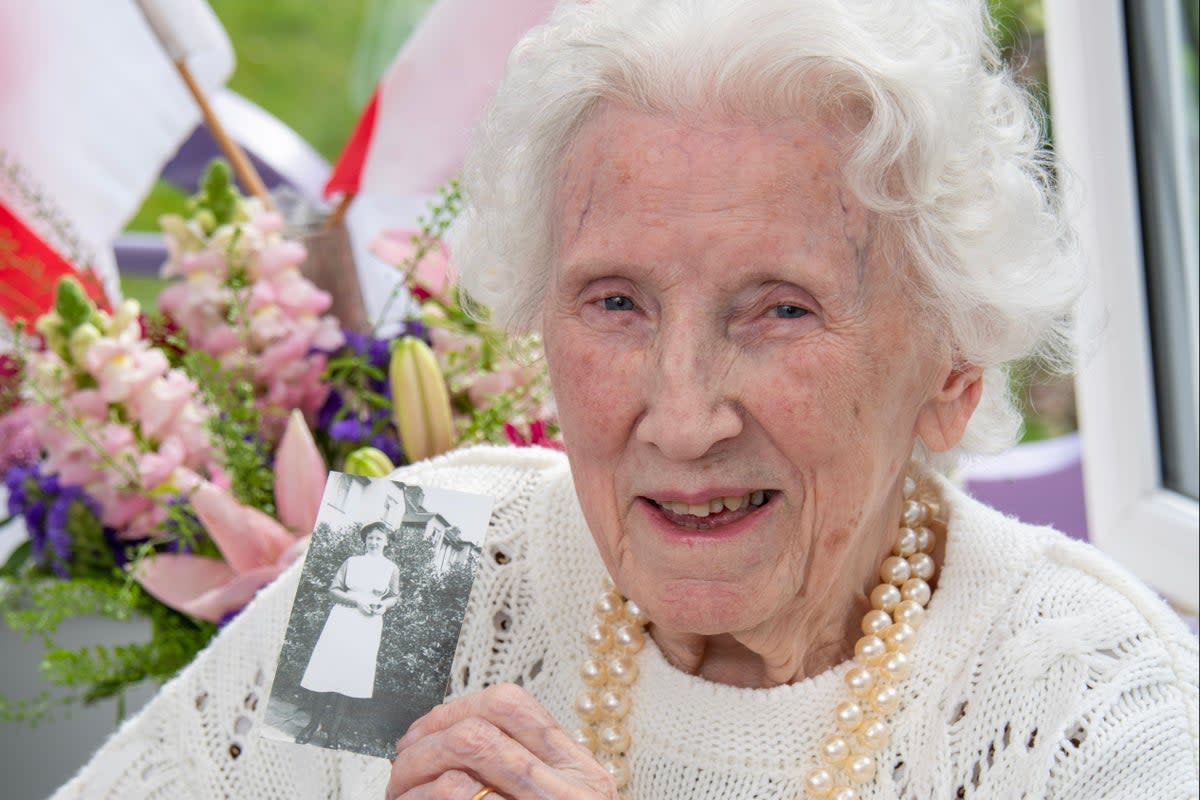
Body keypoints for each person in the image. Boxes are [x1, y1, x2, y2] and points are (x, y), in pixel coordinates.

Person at [50, 1, 1198, 798]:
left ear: (953, 370)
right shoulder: (409, 565)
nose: (683, 414)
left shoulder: (1090, 706)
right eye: (615, 302)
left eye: (780, 309)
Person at [295, 521, 400, 748]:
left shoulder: (391, 568)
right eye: (370, 537)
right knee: (328, 670)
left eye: (379, 538)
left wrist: (384, 606)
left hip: (368, 624)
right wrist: (356, 601)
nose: (374, 542)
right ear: (365, 539)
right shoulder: (352, 562)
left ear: (387, 542)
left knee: (350, 675)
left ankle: (333, 733)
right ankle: (312, 725)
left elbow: (394, 596)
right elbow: (333, 590)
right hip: (342, 619)